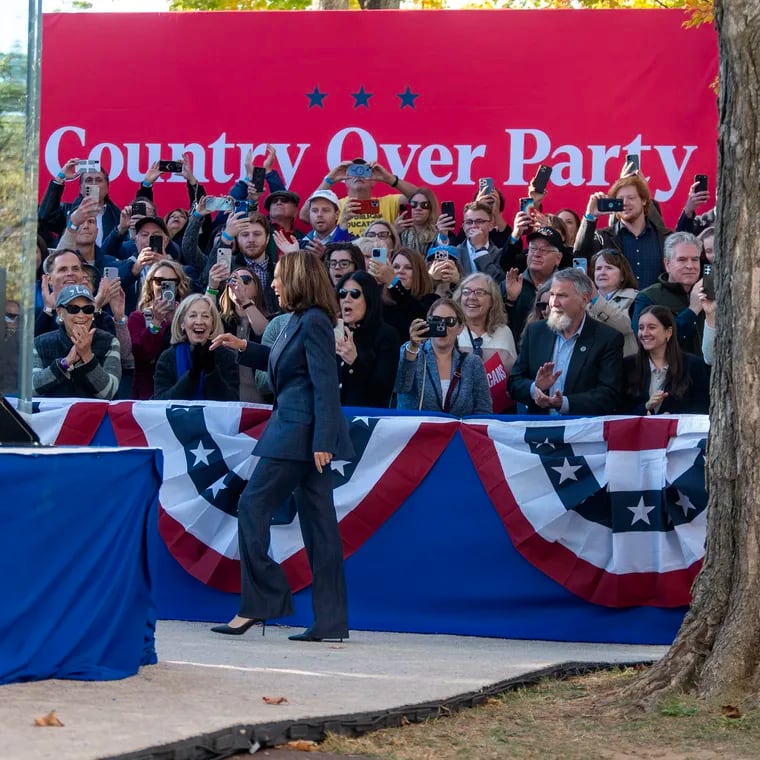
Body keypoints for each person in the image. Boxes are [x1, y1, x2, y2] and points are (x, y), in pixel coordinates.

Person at [209, 250, 354, 642]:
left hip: (299, 436)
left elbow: (325, 384)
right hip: (300, 435)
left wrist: (324, 440)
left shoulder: (316, 322)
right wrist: (241, 346)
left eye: (277, 277)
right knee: (319, 528)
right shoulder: (300, 321)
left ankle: (262, 602)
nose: (272, 283)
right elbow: (282, 361)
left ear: (297, 280)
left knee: (253, 505)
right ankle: (330, 622)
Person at [507, 268, 624, 416]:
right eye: (552, 295)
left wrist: (565, 403)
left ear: (584, 299)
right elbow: (514, 383)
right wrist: (534, 388)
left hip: (582, 432)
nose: (554, 303)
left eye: (562, 296)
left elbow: (609, 395)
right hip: (540, 432)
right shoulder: (536, 332)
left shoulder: (607, 339)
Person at [395, 298, 492, 416]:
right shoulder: (411, 353)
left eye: (450, 321)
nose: (442, 327)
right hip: (418, 432)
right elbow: (401, 387)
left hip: (458, 433)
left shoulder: (472, 363)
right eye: (436, 320)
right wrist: (413, 348)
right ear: (427, 323)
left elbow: (483, 411)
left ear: (460, 328)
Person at [574, 171, 670, 289]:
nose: (625, 203)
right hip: (614, 306)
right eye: (620, 199)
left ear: (644, 201)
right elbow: (579, 257)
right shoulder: (603, 237)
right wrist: (590, 217)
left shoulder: (665, 237)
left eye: (631, 198)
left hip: (655, 305)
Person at [32, 284, 121, 399]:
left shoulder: (110, 342)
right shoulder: (40, 343)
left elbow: (109, 392)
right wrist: (64, 364)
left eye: (87, 309)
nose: (81, 315)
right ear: (59, 312)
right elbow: (31, 389)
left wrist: (87, 356)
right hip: (53, 416)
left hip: (94, 415)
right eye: (73, 309)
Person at [624, 305, 709, 414]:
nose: (644, 333)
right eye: (641, 328)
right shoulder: (628, 366)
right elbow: (620, 412)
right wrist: (646, 407)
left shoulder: (693, 365)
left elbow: (701, 408)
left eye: (651, 327)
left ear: (668, 332)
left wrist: (671, 418)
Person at [302, 158, 419, 237]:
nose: (358, 174)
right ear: (345, 181)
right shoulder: (335, 205)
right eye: (353, 171)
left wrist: (389, 179)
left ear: (374, 182)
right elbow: (305, 215)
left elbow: (422, 198)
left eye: (364, 171)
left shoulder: (389, 202)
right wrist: (330, 179)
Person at [632, 231, 705, 357]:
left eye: (695, 259)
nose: (690, 266)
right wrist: (692, 310)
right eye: (682, 260)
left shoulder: (710, 293)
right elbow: (648, 341)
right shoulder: (648, 298)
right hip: (670, 373)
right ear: (667, 264)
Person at [154, 294, 238, 401]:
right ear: (182, 324)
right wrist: (192, 375)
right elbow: (160, 402)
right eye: (193, 316)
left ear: (212, 323)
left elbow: (233, 403)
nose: (199, 321)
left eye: (205, 316)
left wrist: (211, 372)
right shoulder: (168, 357)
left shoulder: (227, 356)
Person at [128, 259, 192, 399]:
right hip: (147, 392)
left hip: (182, 388)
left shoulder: (189, 316)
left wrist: (177, 322)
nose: (164, 286)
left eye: (171, 282)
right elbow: (142, 354)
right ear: (150, 284)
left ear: (179, 285)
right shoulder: (138, 317)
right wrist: (156, 322)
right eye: (159, 281)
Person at [453, 273, 517, 413]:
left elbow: (514, 377)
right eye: (466, 292)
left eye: (479, 293)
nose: (471, 297)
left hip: (498, 413)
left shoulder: (504, 332)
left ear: (492, 301)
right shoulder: (451, 330)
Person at [335, 270, 398, 408]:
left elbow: (383, 391)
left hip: (367, 421)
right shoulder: (333, 331)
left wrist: (355, 362)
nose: (347, 299)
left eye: (355, 294)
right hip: (333, 419)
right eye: (342, 293)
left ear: (369, 299)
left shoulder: (386, 335)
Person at [218, 267, 270, 403]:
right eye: (233, 280)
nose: (239, 284)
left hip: (263, 401)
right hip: (229, 401)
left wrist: (245, 301)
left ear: (257, 287)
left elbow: (264, 333)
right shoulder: (220, 321)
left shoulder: (272, 319)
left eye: (245, 280)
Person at [504, 226, 562, 343]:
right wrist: (510, 301)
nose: (536, 254)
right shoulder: (511, 282)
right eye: (533, 248)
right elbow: (497, 326)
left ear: (558, 258)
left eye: (544, 250)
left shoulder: (565, 287)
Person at [396, 187, 440, 255]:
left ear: (431, 209)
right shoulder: (400, 232)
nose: (418, 208)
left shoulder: (439, 234)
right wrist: (394, 232)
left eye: (424, 205)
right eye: (414, 204)